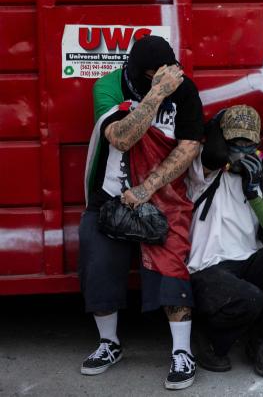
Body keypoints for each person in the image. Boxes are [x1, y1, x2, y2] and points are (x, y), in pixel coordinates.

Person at [79, 35, 203, 389]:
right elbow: (120, 138)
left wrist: (147, 189)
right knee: (98, 261)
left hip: (160, 195)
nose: (163, 79)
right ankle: (109, 344)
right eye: (152, 75)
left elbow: (190, 145)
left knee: (171, 266)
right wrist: (155, 94)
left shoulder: (185, 88)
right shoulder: (108, 87)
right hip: (110, 197)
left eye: (165, 74)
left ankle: (182, 351)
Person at [185, 105, 263, 379]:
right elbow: (207, 154)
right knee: (249, 299)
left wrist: (254, 195)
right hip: (208, 268)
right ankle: (207, 336)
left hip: (249, 263)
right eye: (235, 144)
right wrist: (221, 151)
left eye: (248, 144)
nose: (242, 151)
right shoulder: (203, 173)